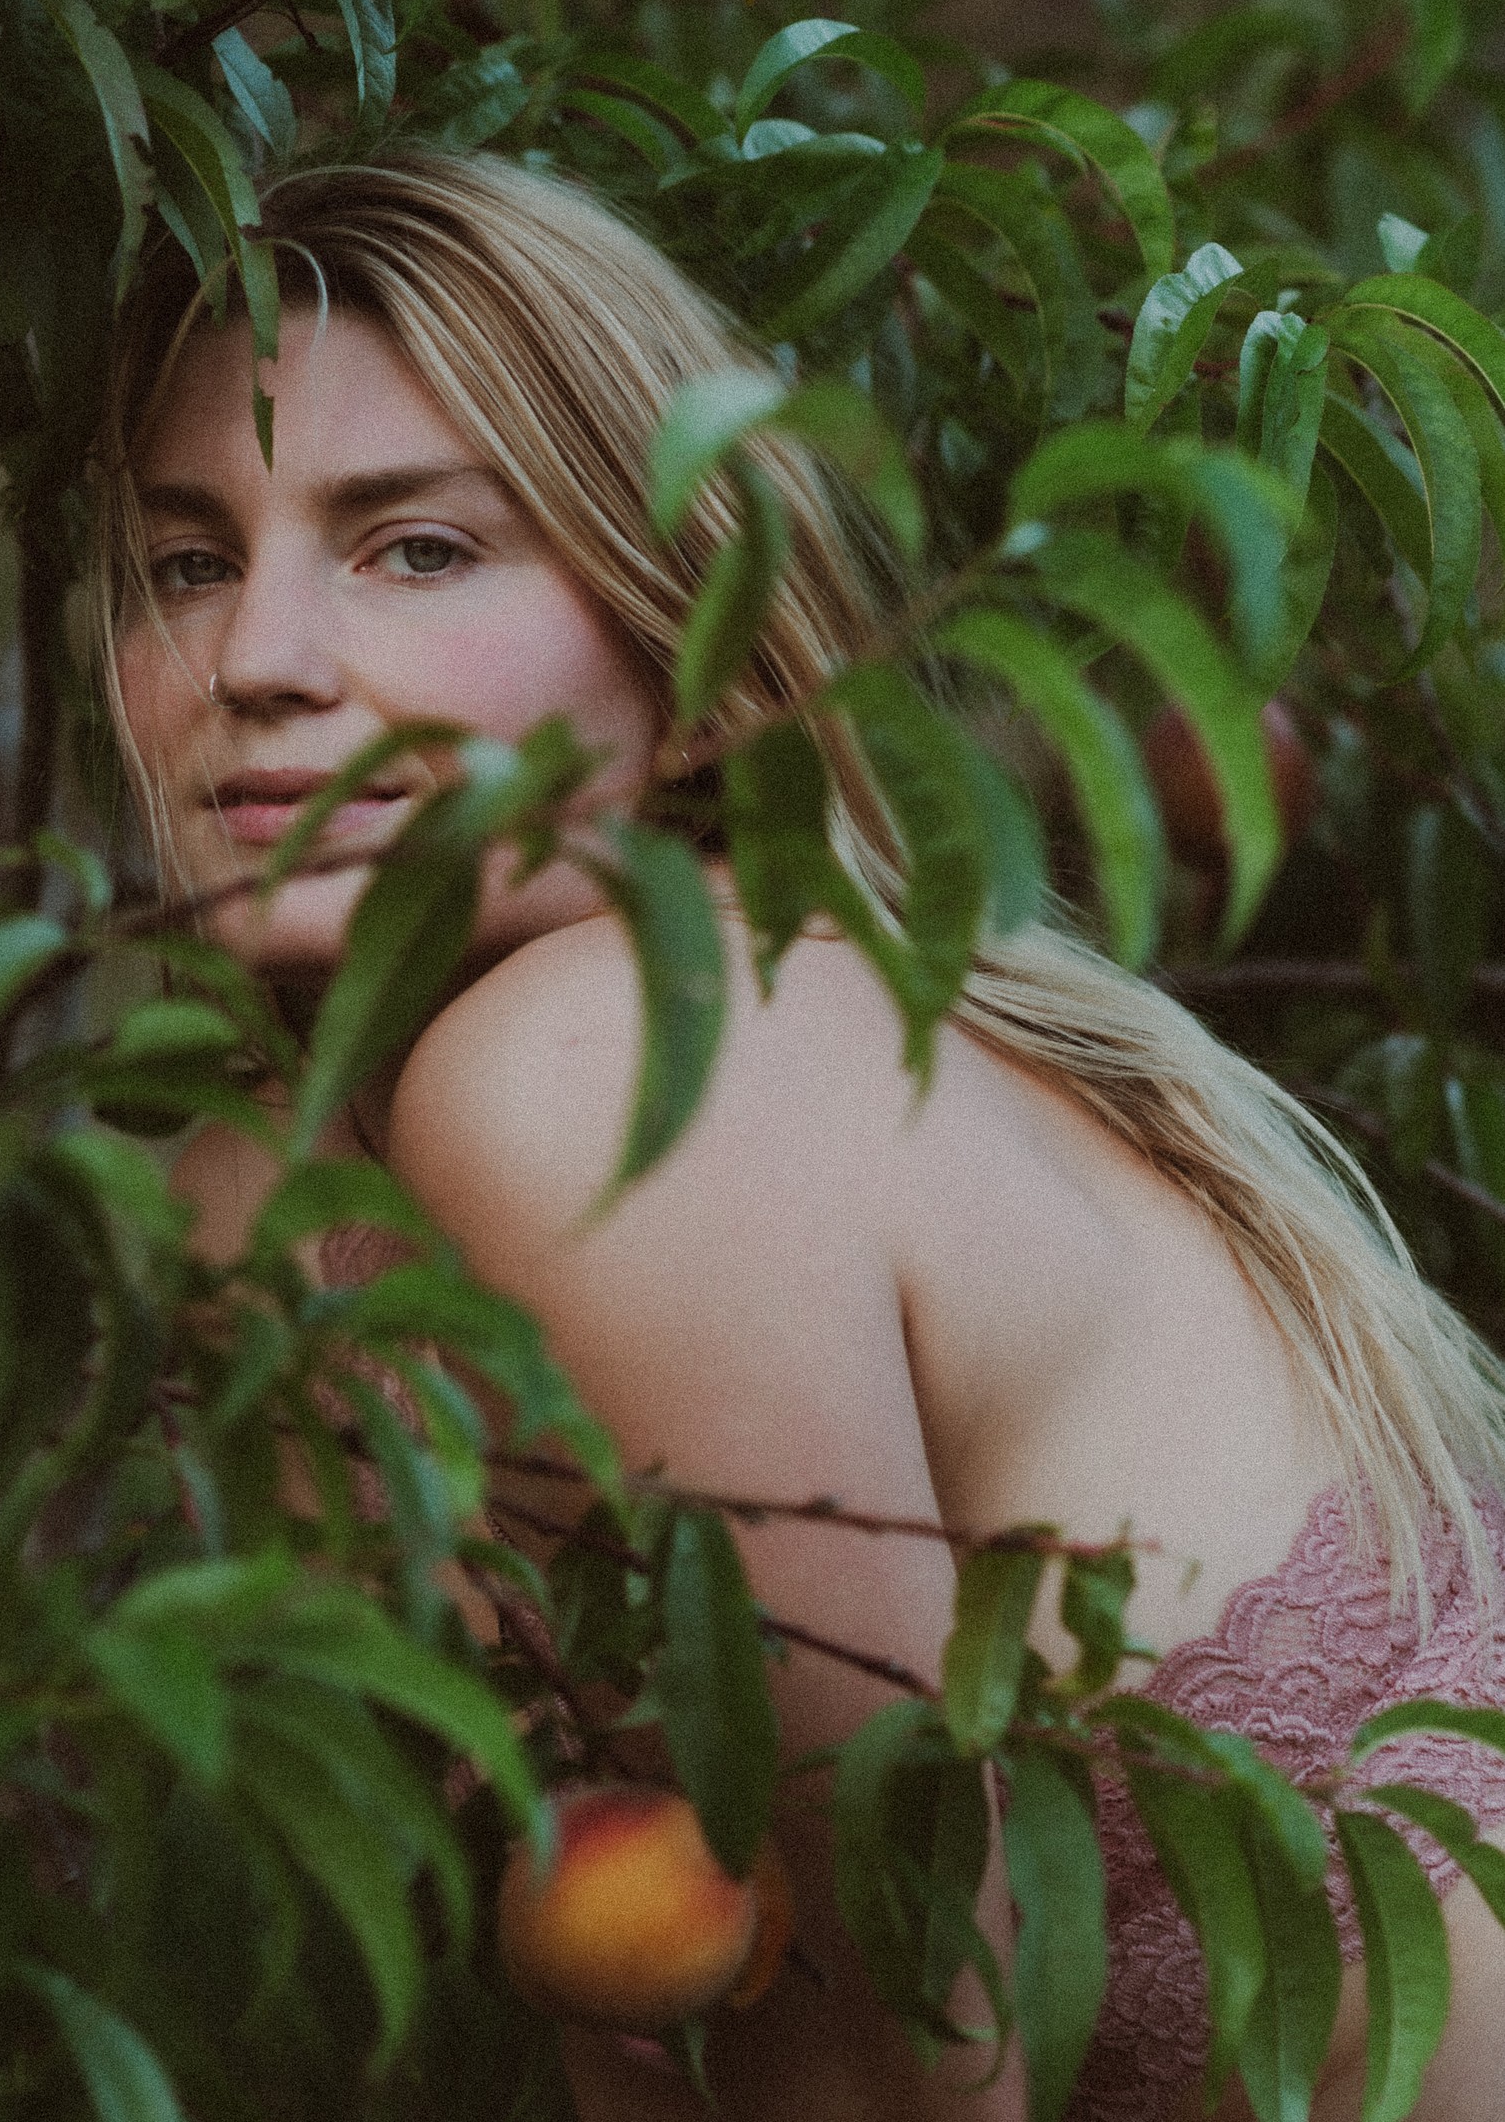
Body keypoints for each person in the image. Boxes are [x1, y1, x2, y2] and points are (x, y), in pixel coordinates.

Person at [94, 149, 1505, 2120]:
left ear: (686, 660)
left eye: (412, 545)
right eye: (186, 557)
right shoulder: (285, 1184)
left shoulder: (608, 1068)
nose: (255, 655)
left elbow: (880, 2066)